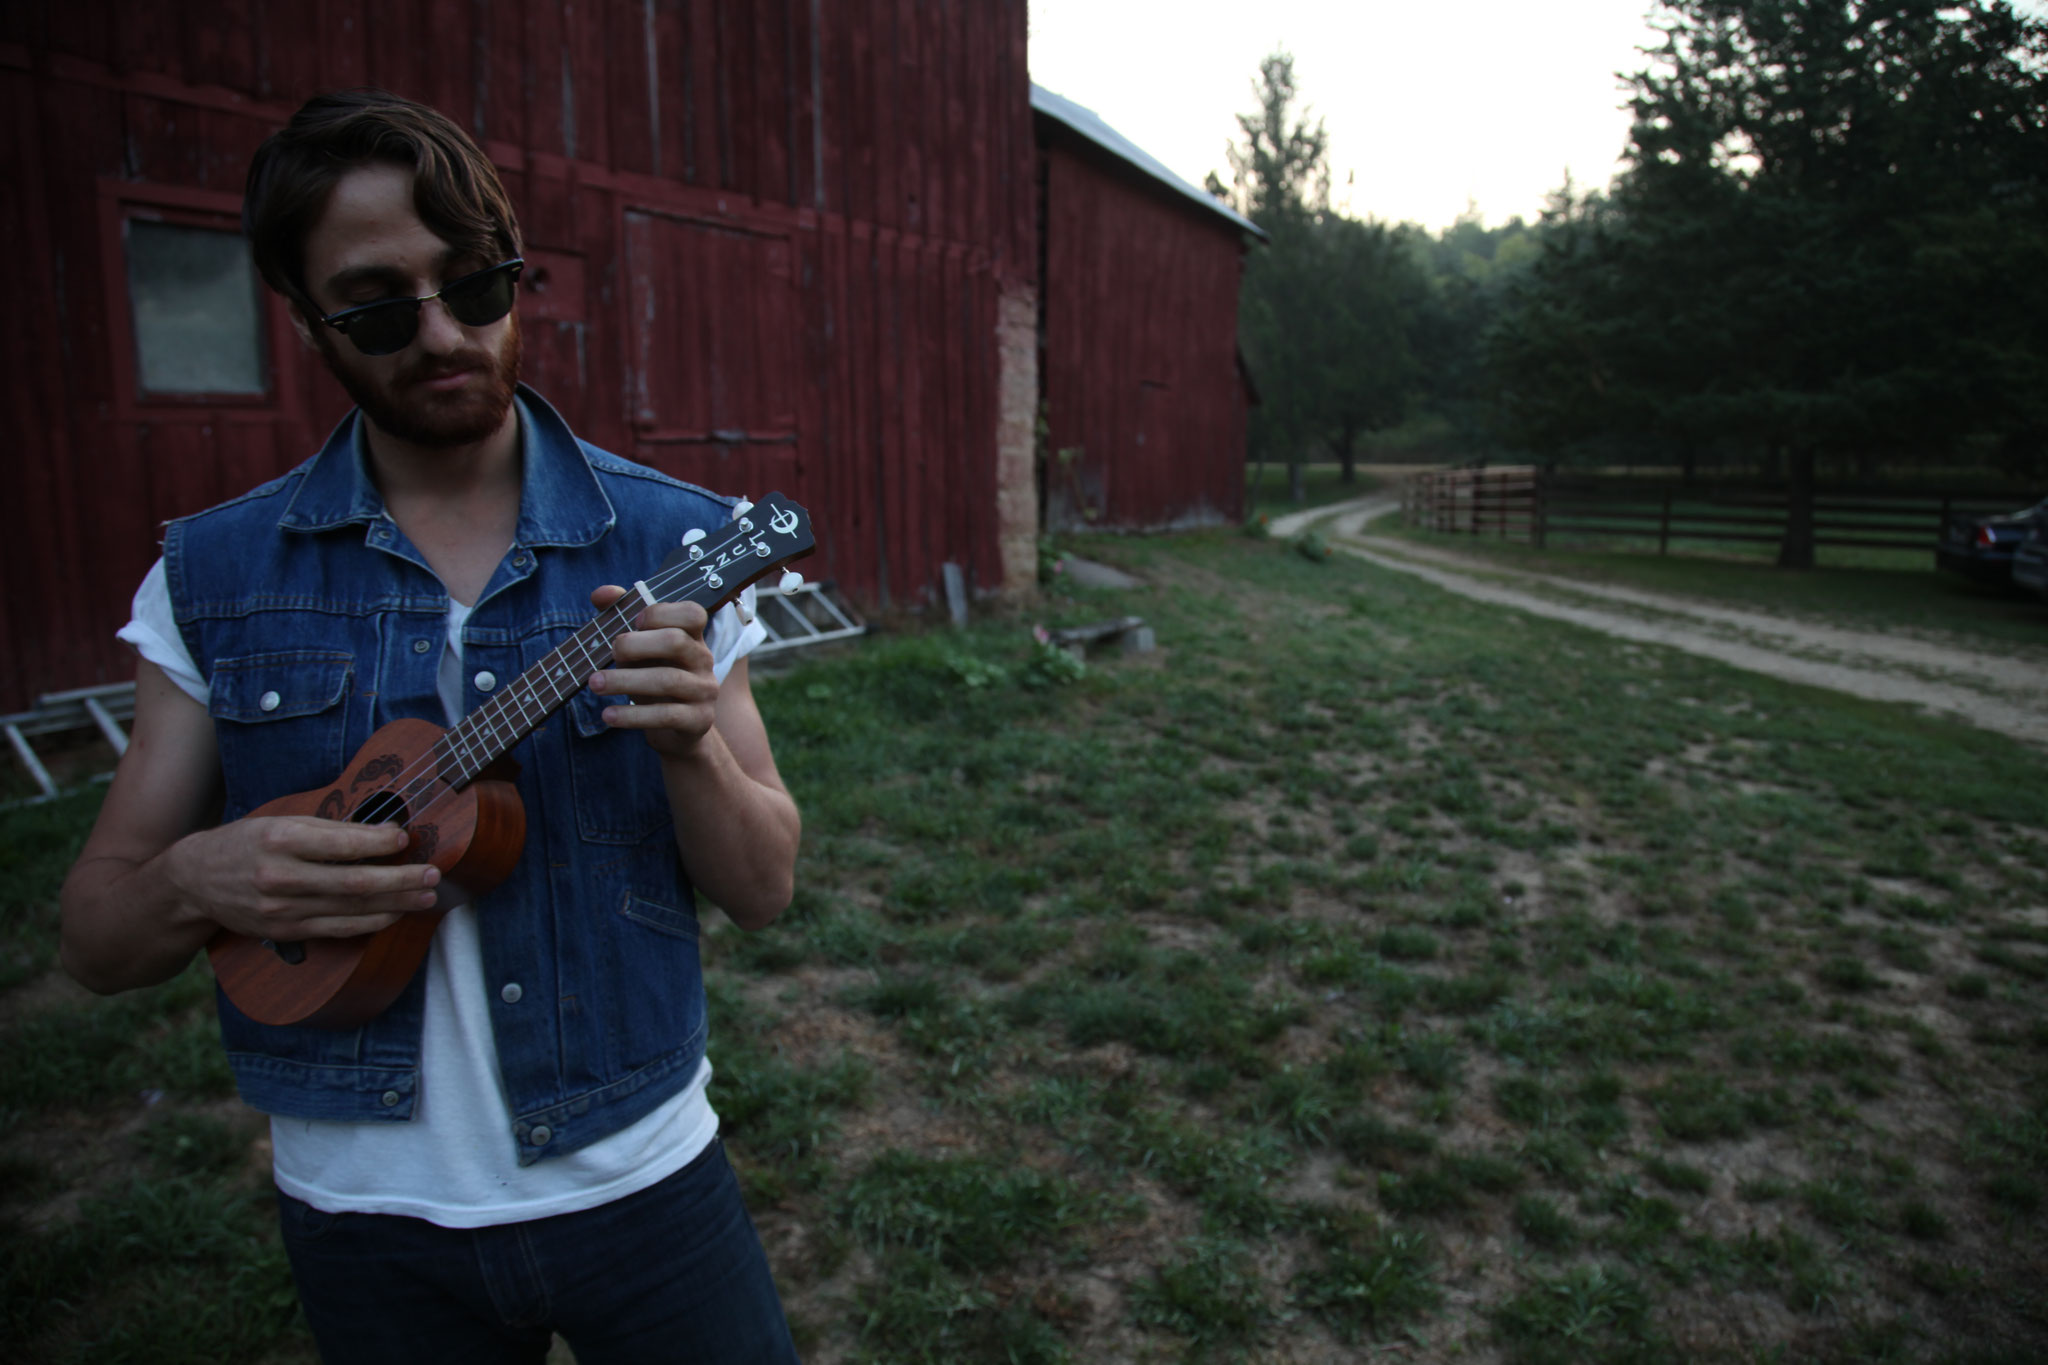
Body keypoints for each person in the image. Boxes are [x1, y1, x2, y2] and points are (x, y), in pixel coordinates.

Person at [59, 89, 804, 1364]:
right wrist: (201, 872)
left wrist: (688, 749)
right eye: (377, 305)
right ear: (305, 320)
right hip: (364, 1219)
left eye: (474, 285)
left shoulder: (662, 544)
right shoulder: (215, 578)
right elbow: (97, 936)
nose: (444, 333)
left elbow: (766, 886)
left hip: (642, 1181)